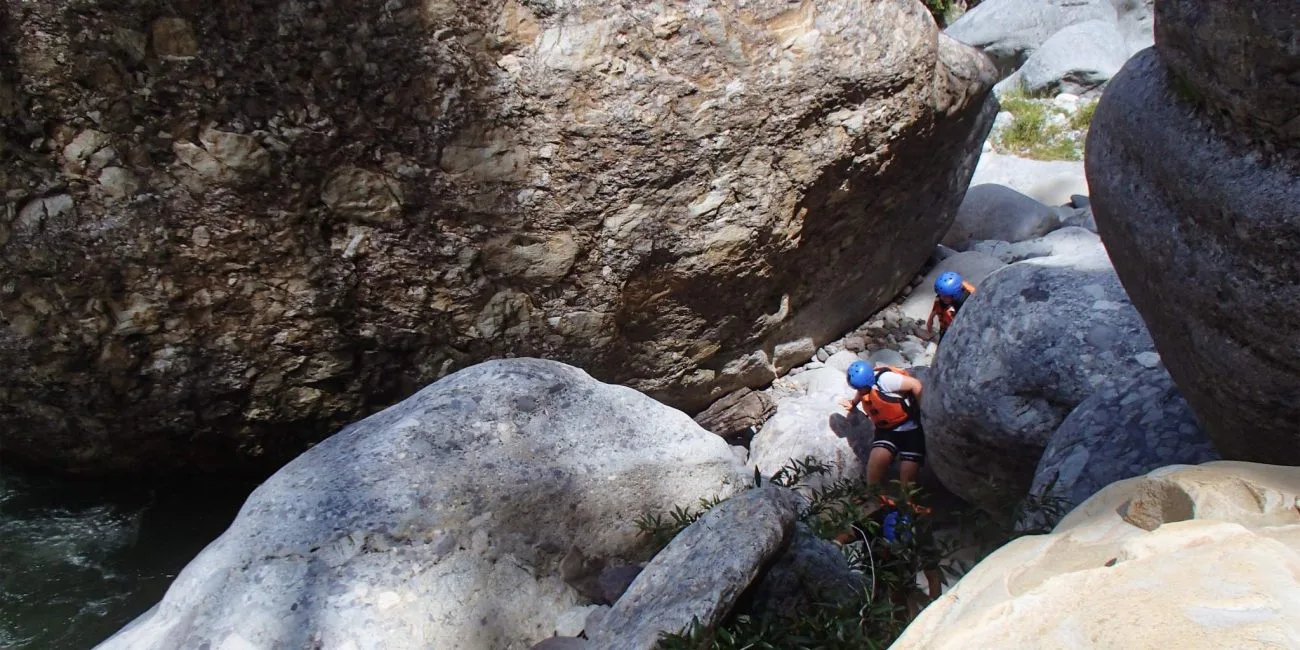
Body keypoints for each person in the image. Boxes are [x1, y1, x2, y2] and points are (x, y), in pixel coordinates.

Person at [840, 360, 926, 487]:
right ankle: (875, 498)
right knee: (875, 464)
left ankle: (907, 503)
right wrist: (853, 403)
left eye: (860, 388)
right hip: (887, 430)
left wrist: (923, 413)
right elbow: (862, 391)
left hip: (911, 428)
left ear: (868, 382)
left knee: (907, 475)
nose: (859, 390)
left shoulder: (886, 380)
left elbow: (915, 384)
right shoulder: (865, 386)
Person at [926, 271, 975, 342]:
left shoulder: (969, 302)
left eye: (945, 296)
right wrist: (930, 319)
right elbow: (937, 306)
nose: (942, 298)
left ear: (955, 294)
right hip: (946, 329)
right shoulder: (942, 298)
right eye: (940, 295)